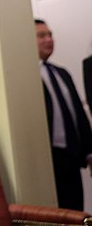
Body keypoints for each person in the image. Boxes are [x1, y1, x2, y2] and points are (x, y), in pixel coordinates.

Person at [36, 18, 92, 210]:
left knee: (75, 212)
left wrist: (89, 151)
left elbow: (78, 114)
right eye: (41, 35)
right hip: (48, 158)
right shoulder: (27, 74)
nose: (49, 39)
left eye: (50, 35)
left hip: (71, 157)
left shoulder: (62, 73)